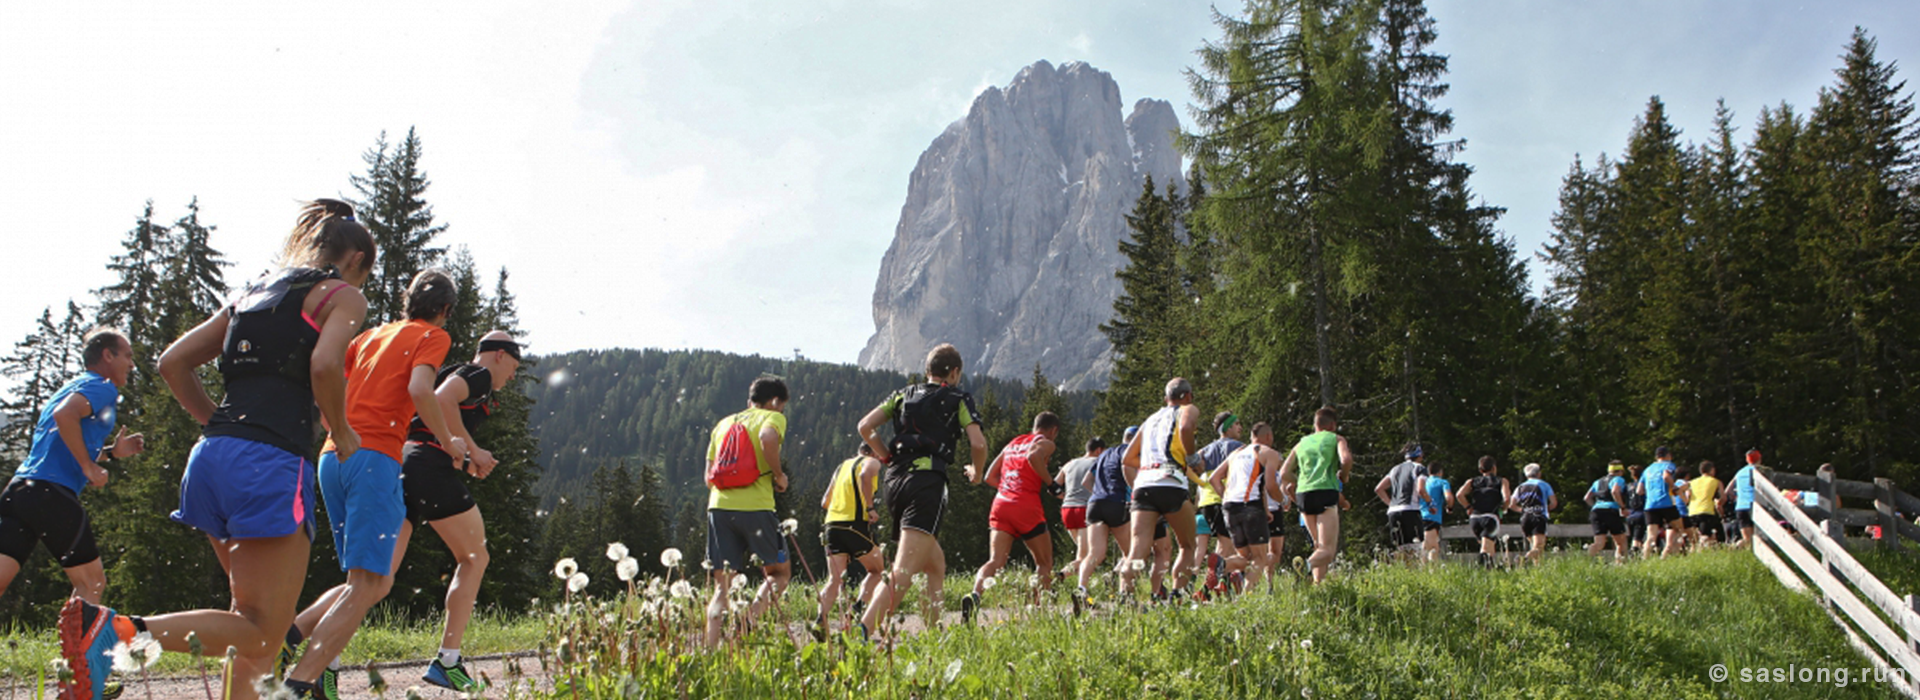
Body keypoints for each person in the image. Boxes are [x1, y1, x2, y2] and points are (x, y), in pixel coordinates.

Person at [59, 200, 374, 700]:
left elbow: (172, 363)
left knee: (250, 631)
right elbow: (324, 366)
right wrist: (344, 430)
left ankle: (113, 637)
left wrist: (216, 422)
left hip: (211, 458)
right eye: (365, 274)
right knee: (265, 630)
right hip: (269, 463)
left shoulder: (252, 293)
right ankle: (115, 634)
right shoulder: (341, 296)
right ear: (355, 258)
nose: (361, 287)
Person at [280, 269, 463, 699]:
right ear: (444, 310)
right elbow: (422, 389)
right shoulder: (432, 336)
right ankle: (298, 683)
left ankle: (287, 642)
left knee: (359, 582)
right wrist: (448, 441)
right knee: (372, 584)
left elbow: (323, 378)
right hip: (374, 458)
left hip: (333, 457)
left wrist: (334, 426)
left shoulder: (371, 336)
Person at [376, 331, 520, 692]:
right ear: (499, 355)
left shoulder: (453, 372)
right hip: (428, 465)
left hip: (405, 461)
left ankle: (306, 641)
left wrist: (464, 457)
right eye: (515, 367)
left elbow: (432, 414)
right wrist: (471, 450)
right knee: (475, 557)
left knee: (377, 577)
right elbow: (440, 400)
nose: (513, 376)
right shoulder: (479, 375)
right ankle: (448, 659)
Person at [2, 329, 143, 607]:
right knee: (92, 583)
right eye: (127, 356)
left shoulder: (73, 386)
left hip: (19, 491)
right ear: (107, 355)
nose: (132, 364)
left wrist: (111, 454)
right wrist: (88, 467)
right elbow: (65, 415)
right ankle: (76, 651)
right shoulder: (102, 386)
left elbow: (63, 437)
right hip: (49, 493)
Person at [858, 344, 986, 639]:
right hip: (927, 482)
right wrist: (977, 473)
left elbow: (865, 426)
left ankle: (935, 636)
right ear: (954, 373)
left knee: (934, 563)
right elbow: (978, 444)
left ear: (927, 371)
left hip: (895, 482)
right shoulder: (958, 397)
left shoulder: (903, 394)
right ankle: (861, 634)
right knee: (903, 571)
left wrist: (885, 455)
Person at [700, 377, 792, 647]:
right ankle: (748, 620)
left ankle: (709, 651)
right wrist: (778, 474)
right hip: (757, 508)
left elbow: (708, 477)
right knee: (779, 573)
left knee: (723, 586)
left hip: (718, 506)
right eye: (782, 407)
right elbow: (768, 436)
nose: (781, 412)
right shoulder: (771, 418)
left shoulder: (723, 424)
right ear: (775, 402)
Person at [961, 412, 1061, 622]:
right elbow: (1034, 456)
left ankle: (975, 594)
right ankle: (1037, 611)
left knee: (996, 561)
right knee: (1044, 561)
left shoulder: (1013, 443)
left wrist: (1010, 489)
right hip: (1026, 506)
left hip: (1001, 504)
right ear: (1053, 431)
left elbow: (989, 476)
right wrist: (1052, 484)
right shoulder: (1046, 442)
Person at [1119, 378, 1205, 601]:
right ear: (1188, 396)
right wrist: (1191, 458)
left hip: (1144, 485)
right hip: (1171, 483)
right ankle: (1177, 594)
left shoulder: (1150, 420)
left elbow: (1128, 458)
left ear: (1166, 398)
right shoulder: (1187, 409)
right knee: (1187, 545)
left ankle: (1125, 596)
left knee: (1138, 549)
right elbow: (1186, 427)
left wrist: (1150, 466)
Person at [1278, 407, 1352, 584]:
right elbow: (1346, 460)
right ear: (1333, 425)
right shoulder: (1336, 439)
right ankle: (1306, 565)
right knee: (1328, 551)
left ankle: (1319, 586)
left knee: (1319, 546)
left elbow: (1283, 473)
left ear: (1315, 425)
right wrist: (1344, 474)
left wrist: (1298, 481)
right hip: (1325, 491)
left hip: (1304, 494)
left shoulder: (1302, 443)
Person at [816, 443, 883, 637]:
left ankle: (820, 620)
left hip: (831, 525)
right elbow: (864, 476)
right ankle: (855, 611)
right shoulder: (870, 462)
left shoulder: (842, 466)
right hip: (855, 524)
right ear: (873, 451)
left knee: (834, 579)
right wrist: (870, 507)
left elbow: (825, 502)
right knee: (877, 570)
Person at [1209, 422, 1284, 590]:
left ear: (1251, 437)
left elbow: (1213, 479)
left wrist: (1227, 498)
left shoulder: (1237, 453)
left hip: (1229, 506)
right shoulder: (1268, 453)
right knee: (1261, 558)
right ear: (1268, 437)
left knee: (1245, 558)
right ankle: (1245, 597)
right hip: (1250, 506)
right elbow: (1271, 485)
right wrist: (1283, 500)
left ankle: (1222, 564)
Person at [1074, 427, 1135, 610]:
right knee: (1129, 553)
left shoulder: (1105, 453)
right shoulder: (1129, 452)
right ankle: (1126, 595)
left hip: (1094, 504)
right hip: (1117, 502)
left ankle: (1081, 589)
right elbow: (1130, 472)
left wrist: (1100, 495)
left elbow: (1086, 480)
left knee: (1095, 554)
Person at [1191, 412, 1244, 595]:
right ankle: (1206, 589)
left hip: (1205, 500)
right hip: (1224, 497)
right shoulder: (1239, 448)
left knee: (1224, 544)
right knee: (1226, 544)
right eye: (1237, 424)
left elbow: (1194, 469)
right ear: (1228, 428)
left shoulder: (1204, 450)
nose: (1240, 427)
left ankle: (1223, 585)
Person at [1055, 437, 1104, 583]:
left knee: (1085, 553)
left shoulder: (1069, 463)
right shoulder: (1097, 462)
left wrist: (1065, 496)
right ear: (1099, 450)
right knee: (1086, 556)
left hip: (1067, 509)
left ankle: (1080, 586)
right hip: (1084, 509)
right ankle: (1059, 577)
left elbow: (1054, 486)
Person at [1374, 444, 1429, 565]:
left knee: (1400, 547)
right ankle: (1413, 575)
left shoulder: (1394, 469)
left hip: (1393, 511)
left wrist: (1390, 504)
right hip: (1411, 509)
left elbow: (1379, 489)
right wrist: (1430, 502)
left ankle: (1402, 573)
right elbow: (1421, 489)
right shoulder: (1419, 468)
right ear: (1419, 455)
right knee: (1415, 547)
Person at [1457, 456, 1510, 567]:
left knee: (1488, 547)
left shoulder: (1472, 481)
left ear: (1480, 470)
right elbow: (1507, 499)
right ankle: (1479, 568)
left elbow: (1459, 495)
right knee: (1486, 549)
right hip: (1490, 518)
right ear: (1494, 468)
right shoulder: (1501, 481)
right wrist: (1503, 509)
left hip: (1475, 519)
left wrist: (1468, 507)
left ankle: (1488, 573)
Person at [1509, 463, 1557, 564]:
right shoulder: (1544, 485)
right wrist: (1545, 508)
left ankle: (1538, 569)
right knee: (1539, 546)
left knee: (1535, 546)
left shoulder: (1520, 487)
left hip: (1525, 518)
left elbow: (1511, 505)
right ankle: (1524, 558)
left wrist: (1522, 510)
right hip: (1538, 516)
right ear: (1539, 473)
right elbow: (1554, 503)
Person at [1640, 447, 1684, 558]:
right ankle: (1668, 555)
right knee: (1679, 529)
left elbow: (1639, 490)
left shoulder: (1647, 469)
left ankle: (1645, 560)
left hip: (1650, 505)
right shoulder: (1668, 465)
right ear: (1668, 455)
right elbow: (1666, 476)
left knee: (1651, 536)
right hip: (1666, 502)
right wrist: (1674, 487)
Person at [1584, 461, 1631, 561]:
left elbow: (1587, 497)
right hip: (1611, 511)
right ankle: (1620, 565)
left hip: (1596, 511)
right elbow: (1615, 491)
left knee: (1599, 543)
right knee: (1621, 542)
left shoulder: (1597, 481)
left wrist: (1596, 506)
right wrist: (1622, 507)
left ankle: (1586, 560)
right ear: (1620, 471)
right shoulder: (1618, 479)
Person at [1724, 450, 1762, 549]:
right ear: (1759, 459)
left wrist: (1736, 496)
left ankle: (1734, 547)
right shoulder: (1760, 470)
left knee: (1747, 539)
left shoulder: (1740, 472)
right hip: (1754, 505)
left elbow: (1728, 490)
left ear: (1746, 459)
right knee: (1758, 538)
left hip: (1740, 506)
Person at [1420, 462, 1452, 563]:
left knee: (1426, 544)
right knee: (1431, 547)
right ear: (1440, 472)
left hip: (1418, 515)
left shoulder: (1422, 482)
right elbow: (1449, 497)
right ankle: (1429, 572)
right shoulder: (1442, 482)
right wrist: (1450, 507)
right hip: (1432, 516)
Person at [1688, 461, 1724, 549]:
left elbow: (1685, 493)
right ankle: (1700, 554)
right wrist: (1719, 505)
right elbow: (1723, 497)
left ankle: (1696, 554)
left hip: (1692, 511)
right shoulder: (1716, 482)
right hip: (1706, 511)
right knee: (1705, 536)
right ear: (1712, 470)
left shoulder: (1692, 482)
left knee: (1695, 539)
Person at [1625, 464, 1647, 551]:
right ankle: (1634, 555)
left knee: (1634, 536)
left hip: (1630, 514)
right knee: (1637, 539)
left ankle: (1637, 553)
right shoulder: (1643, 486)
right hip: (1641, 513)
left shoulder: (1628, 486)